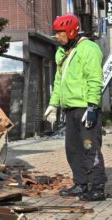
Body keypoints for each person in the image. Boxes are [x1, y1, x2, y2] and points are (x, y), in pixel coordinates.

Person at [43, 14, 107, 201]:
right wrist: (53, 104)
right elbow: (58, 81)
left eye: (60, 32)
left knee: (90, 147)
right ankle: (80, 184)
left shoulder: (89, 49)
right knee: (73, 149)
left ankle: (97, 187)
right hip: (69, 109)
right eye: (56, 33)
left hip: (85, 108)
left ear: (71, 31)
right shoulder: (61, 52)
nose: (57, 36)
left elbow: (95, 80)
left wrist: (93, 107)